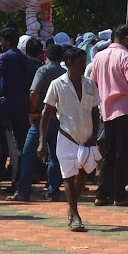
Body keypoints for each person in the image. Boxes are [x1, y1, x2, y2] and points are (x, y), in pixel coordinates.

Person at [39, 48, 101, 231]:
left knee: (82, 178)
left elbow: (95, 112)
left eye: (85, 61)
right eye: (81, 62)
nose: (84, 65)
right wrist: (42, 141)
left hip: (87, 139)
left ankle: (71, 206)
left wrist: (94, 137)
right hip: (67, 138)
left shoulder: (90, 84)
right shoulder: (57, 84)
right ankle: (75, 216)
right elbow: (46, 112)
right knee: (68, 177)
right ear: (69, 64)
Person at [91, 26, 128, 207]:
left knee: (110, 152)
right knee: (122, 153)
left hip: (106, 109)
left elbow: (94, 82)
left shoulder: (99, 56)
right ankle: (119, 195)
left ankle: (102, 193)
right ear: (127, 38)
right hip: (125, 109)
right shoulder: (127, 57)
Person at [0, 35, 35, 197]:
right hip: (21, 104)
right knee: (22, 146)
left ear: (7, 41)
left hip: (6, 104)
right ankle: (18, 182)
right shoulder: (25, 59)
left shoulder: (4, 58)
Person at [17, 40, 63, 202]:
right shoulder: (64, 73)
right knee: (55, 156)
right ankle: (53, 190)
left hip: (41, 118)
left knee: (29, 153)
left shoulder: (42, 71)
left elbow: (34, 92)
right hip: (59, 119)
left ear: (46, 55)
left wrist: (33, 110)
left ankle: (23, 190)